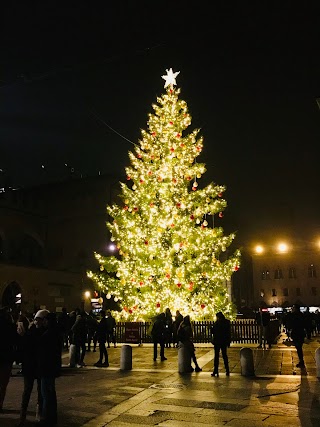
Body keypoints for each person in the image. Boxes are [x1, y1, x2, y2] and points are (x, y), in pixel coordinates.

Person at [17, 310, 44, 426]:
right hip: (34, 366)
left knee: (30, 391)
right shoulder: (39, 333)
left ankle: (24, 416)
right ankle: (33, 415)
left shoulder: (30, 332)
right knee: (33, 391)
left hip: (31, 366)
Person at [35, 310, 62, 426]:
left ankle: (46, 418)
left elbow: (42, 351)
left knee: (45, 394)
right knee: (51, 393)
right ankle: (52, 416)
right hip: (53, 367)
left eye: (45, 320)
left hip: (46, 368)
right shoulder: (56, 333)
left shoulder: (47, 335)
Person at [0, 307, 18, 413]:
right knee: (3, 384)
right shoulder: (10, 327)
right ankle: (0, 403)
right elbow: (15, 341)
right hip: (6, 358)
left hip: (5, 357)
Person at [211, 311, 231, 377]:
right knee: (224, 355)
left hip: (217, 341)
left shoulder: (217, 323)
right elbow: (228, 333)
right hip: (224, 341)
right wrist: (228, 341)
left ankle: (215, 370)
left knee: (216, 356)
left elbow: (213, 331)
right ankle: (227, 370)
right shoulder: (226, 322)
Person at [286, 304, 306, 368]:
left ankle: (301, 361)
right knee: (299, 347)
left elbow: (291, 324)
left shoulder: (294, 316)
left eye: (293, 308)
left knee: (298, 348)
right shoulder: (301, 315)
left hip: (297, 333)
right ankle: (301, 361)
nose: (292, 309)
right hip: (301, 333)